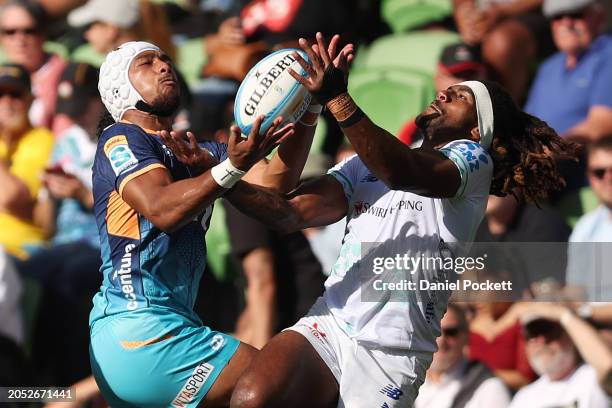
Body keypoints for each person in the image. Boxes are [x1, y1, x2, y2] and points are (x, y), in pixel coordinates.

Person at [225, 33, 577, 408]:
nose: (443, 94)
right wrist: (222, 177)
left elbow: (403, 171)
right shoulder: (364, 164)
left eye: (460, 97)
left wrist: (336, 98)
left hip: (392, 354)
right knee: (251, 398)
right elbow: (288, 213)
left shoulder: (473, 163)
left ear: (477, 130)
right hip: (331, 323)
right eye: (447, 89)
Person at [89, 38, 352, 407]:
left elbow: (276, 184)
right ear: (120, 88)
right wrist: (231, 167)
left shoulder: (196, 152)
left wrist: (313, 104)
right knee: (294, 387)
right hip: (142, 331)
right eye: (147, 63)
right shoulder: (121, 137)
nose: (165, 66)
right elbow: (163, 208)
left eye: (165, 59)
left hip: (156, 334)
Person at [524, 0, 612, 141]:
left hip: (581, 158)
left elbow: (602, 124)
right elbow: (528, 123)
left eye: (576, 15)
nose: (566, 23)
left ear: (599, 16)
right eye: (557, 17)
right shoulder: (548, 67)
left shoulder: (608, 55)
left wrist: (552, 150)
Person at [509, 303, 611, 406]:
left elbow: (608, 366)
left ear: (571, 335)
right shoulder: (524, 398)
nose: (541, 341)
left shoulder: (592, 378)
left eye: (550, 331)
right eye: (532, 334)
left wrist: (563, 314)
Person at [0, 63, 54, 260]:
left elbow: (11, 198)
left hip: (20, 251)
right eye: (0, 95)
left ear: (30, 100)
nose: (6, 102)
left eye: (15, 95)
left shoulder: (42, 140)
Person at [452, 0, 552, 102]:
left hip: (533, 13)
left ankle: (505, 111)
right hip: (483, 15)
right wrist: (464, 15)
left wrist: (503, 11)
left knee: (501, 43)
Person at [415, 304, 511, 408]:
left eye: (451, 332)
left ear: (466, 336)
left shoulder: (489, 389)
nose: (441, 341)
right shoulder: (405, 383)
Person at [0, 0, 68, 132]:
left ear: (43, 34)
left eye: (29, 31)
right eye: (10, 32)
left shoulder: (65, 75)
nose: (20, 40)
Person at [566, 136, 612, 300]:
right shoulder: (585, 226)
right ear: (590, 177)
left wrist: (583, 312)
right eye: (599, 172)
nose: (608, 178)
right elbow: (575, 290)